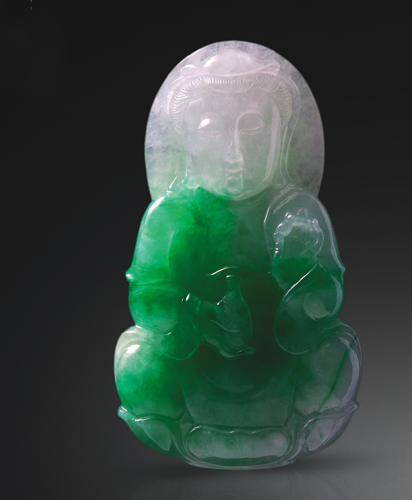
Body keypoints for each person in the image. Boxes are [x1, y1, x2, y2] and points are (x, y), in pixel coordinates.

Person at [114, 46, 361, 467]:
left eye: (253, 131)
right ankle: (180, 427)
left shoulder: (296, 214)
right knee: (135, 355)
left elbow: (326, 306)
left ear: (281, 138)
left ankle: (298, 425)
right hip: (194, 372)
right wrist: (200, 316)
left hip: (278, 372)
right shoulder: (170, 216)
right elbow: (148, 303)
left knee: (339, 348)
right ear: (186, 142)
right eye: (212, 132)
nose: (235, 154)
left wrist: (296, 270)